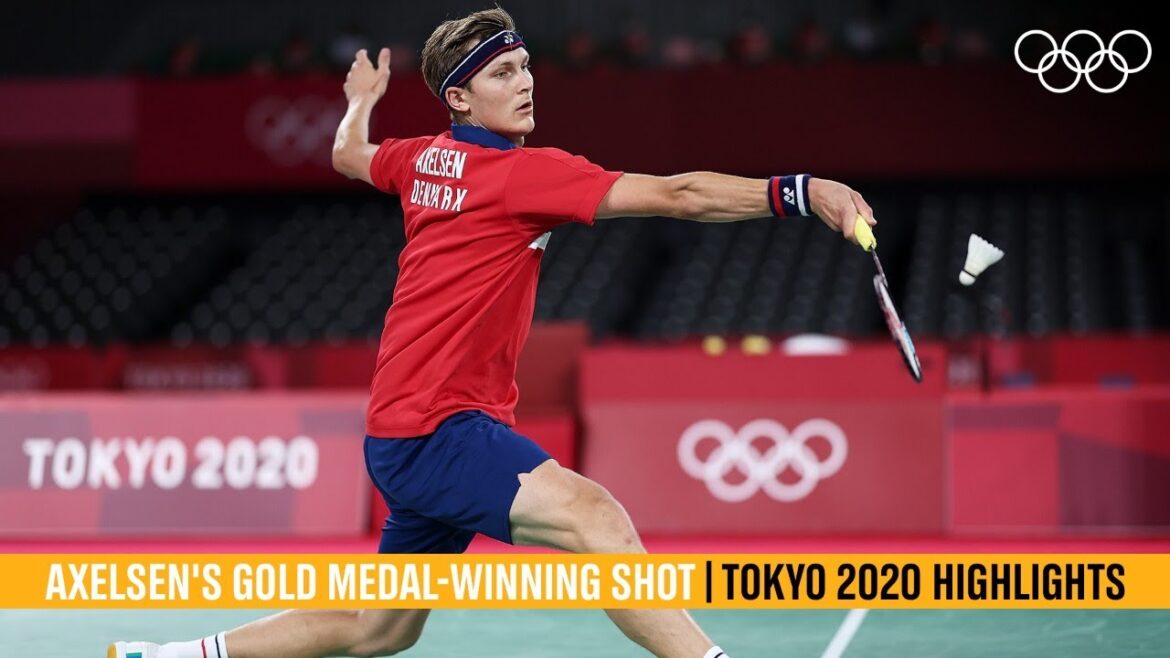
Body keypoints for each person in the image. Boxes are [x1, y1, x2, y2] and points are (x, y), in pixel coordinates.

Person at [110, 7, 874, 658]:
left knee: (379, 629)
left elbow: (348, 155)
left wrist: (361, 102)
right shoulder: (523, 174)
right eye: (503, 72)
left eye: (525, 65)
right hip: (437, 426)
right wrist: (803, 192)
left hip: (404, 428)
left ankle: (167, 655)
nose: (526, 80)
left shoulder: (418, 160)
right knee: (593, 515)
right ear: (461, 97)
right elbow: (678, 194)